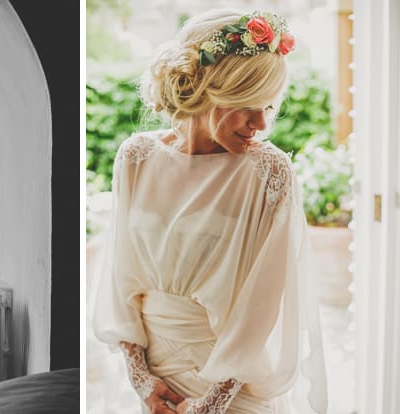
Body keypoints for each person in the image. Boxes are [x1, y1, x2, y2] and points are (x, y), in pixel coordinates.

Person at [91, 10, 327, 414]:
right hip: (156, 384)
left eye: (269, 107)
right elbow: (119, 277)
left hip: (233, 389)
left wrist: (211, 404)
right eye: (247, 105)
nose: (260, 123)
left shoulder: (267, 172)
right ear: (206, 92)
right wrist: (141, 379)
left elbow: (263, 306)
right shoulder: (136, 158)